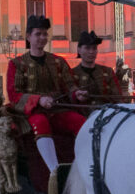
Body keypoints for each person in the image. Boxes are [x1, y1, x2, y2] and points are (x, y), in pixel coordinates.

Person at [6, 15, 89, 180]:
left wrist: (76, 94)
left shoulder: (58, 62)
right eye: (38, 34)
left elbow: (69, 85)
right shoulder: (17, 64)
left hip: (58, 110)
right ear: (28, 37)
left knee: (80, 122)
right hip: (31, 113)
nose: (42, 38)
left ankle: (86, 164)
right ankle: (55, 172)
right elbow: (14, 94)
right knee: (40, 122)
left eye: (45, 34)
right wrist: (38, 100)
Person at [71, 30, 126, 111]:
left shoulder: (108, 72)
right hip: (83, 118)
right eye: (87, 48)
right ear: (79, 50)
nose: (91, 52)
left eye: (94, 48)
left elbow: (118, 98)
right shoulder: (72, 74)